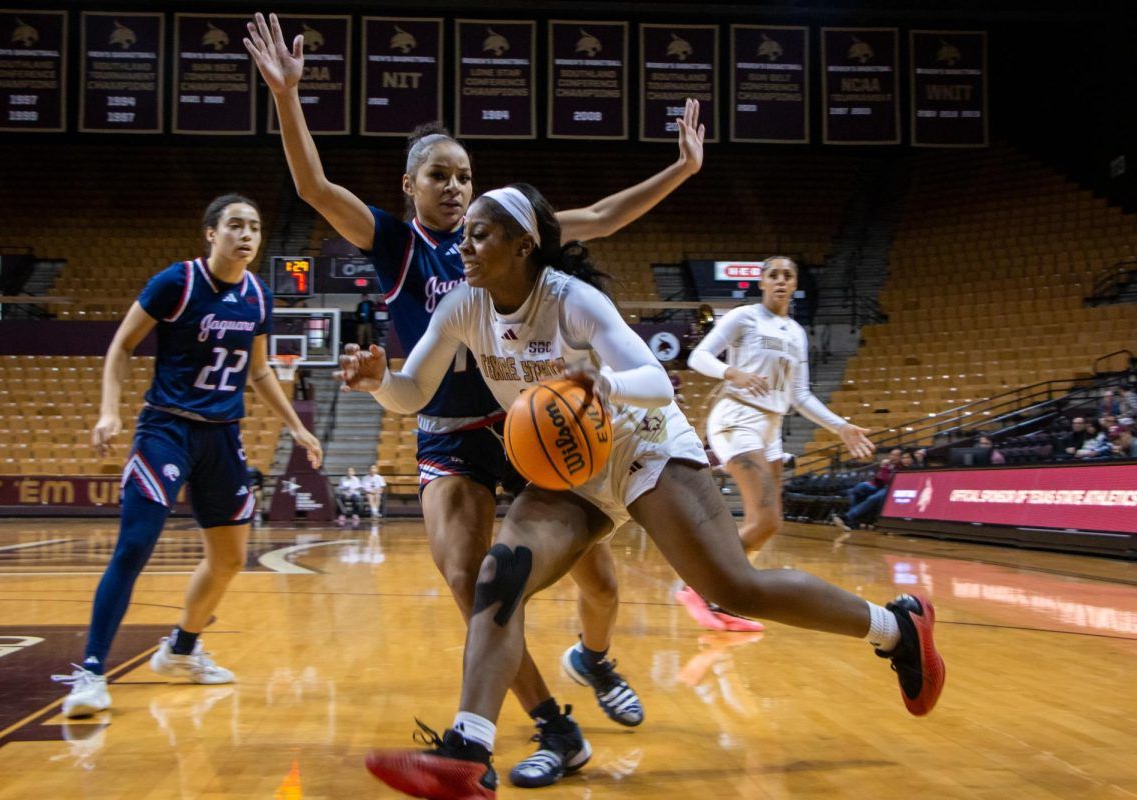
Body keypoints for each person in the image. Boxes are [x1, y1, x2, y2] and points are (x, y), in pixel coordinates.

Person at [343, 184, 945, 799]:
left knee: (731, 587)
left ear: (524, 245)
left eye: (479, 234)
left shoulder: (571, 300)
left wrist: (605, 384)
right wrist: (379, 383)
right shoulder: (463, 306)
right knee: (501, 575)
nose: (462, 245)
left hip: (643, 445)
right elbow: (414, 390)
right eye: (463, 232)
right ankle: (468, 754)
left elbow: (655, 380)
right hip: (571, 470)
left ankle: (896, 628)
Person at [246, 12, 706, 784]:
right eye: (440, 175)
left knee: (598, 577)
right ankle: (552, 726)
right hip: (451, 425)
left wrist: (682, 171)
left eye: (463, 174)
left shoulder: (507, 232)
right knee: (471, 580)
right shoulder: (395, 243)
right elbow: (313, 187)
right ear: (410, 187)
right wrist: (289, 97)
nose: (456, 185)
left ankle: (596, 658)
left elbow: (602, 217)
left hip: (530, 414)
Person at [52, 194, 324, 719]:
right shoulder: (176, 283)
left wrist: (297, 429)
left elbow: (260, 372)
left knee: (228, 559)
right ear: (210, 233)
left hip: (223, 436)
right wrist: (109, 413)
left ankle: (180, 649)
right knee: (135, 546)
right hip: (167, 430)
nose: (246, 234)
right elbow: (121, 346)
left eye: (255, 227)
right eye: (235, 225)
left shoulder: (259, 296)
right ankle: (89, 672)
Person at [677, 257, 875, 631]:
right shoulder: (744, 316)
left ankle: (710, 589)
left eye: (788, 275)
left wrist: (841, 427)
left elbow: (799, 395)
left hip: (773, 426)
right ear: (762, 282)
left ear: (795, 283)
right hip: (738, 416)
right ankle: (702, 587)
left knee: (768, 525)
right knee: (765, 517)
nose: (781, 280)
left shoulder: (796, 333)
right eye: (773, 275)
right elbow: (698, 356)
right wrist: (731, 371)